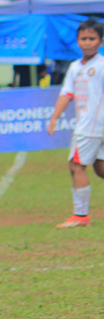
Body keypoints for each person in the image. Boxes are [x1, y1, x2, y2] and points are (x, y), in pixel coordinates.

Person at [47, 18, 104, 229]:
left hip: (90, 128)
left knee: (76, 165)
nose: (87, 42)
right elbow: (66, 94)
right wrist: (55, 117)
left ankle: (81, 216)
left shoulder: (101, 65)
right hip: (91, 127)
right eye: (83, 38)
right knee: (100, 169)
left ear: (100, 41)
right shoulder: (74, 67)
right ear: (77, 41)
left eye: (92, 38)